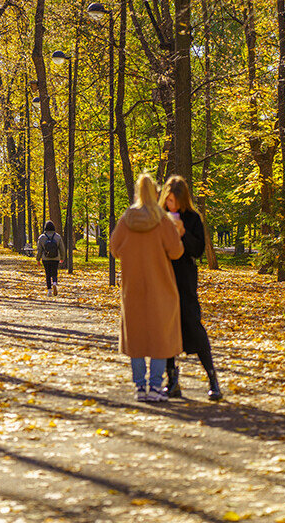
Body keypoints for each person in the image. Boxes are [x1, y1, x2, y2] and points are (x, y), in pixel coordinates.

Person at [109, 173, 185, 403]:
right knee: (160, 339)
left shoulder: (127, 219)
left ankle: (139, 388)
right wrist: (178, 232)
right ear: (155, 192)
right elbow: (176, 252)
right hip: (161, 287)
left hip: (133, 289)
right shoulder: (162, 220)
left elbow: (114, 247)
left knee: (137, 338)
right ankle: (154, 387)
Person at [160, 175, 223, 401]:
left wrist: (183, 233)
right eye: (168, 200)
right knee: (166, 330)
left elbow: (197, 251)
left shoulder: (193, 218)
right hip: (164, 278)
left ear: (182, 199)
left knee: (193, 325)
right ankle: (172, 380)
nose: (171, 205)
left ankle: (213, 379)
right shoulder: (160, 217)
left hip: (185, 278)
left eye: (174, 200)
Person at [36, 221, 65, 296]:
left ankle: (49, 291)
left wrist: (38, 259)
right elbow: (62, 248)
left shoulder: (42, 237)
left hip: (45, 258)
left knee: (47, 274)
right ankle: (54, 283)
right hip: (56, 258)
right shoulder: (57, 237)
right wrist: (62, 257)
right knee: (54, 272)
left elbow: (39, 250)